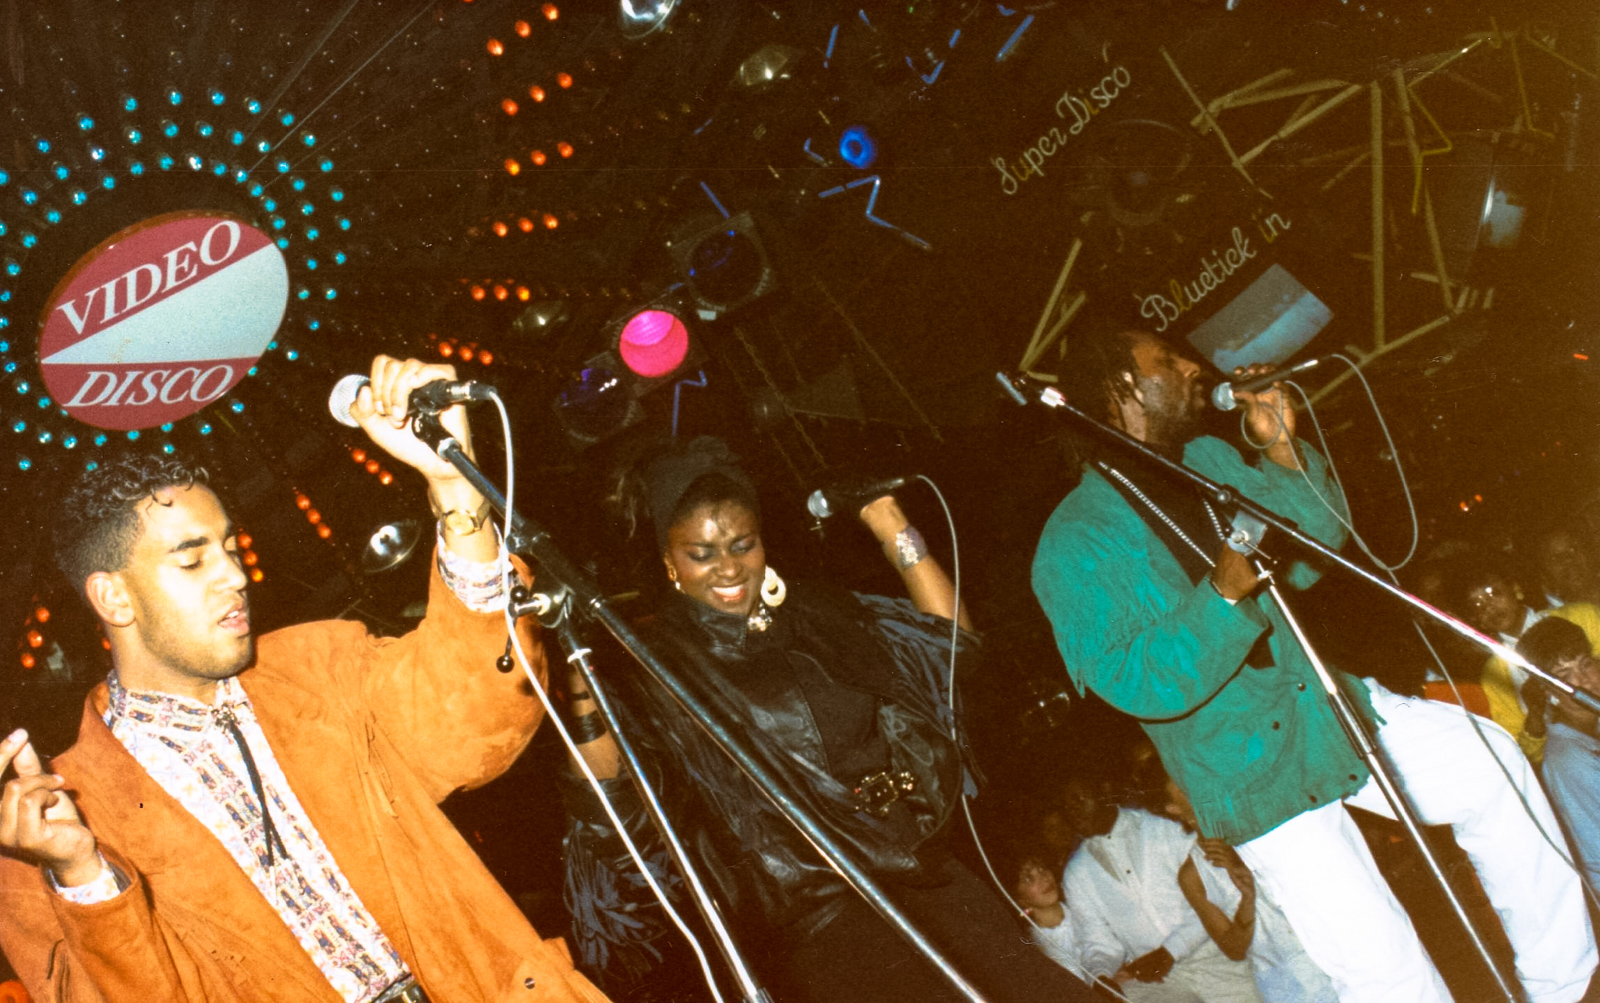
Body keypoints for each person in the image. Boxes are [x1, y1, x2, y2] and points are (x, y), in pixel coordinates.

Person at [0, 356, 611, 1003]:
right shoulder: (46, 826)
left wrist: (455, 489)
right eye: (192, 559)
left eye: (229, 548)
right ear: (114, 598)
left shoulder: (319, 662)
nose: (235, 575)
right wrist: (82, 876)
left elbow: (480, 718)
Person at [1030, 328, 1597, 1003]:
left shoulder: (1207, 458)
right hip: (1247, 768)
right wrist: (1222, 596)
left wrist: (1279, 447)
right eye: (1166, 360)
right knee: (1381, 965)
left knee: (1488, 762)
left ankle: (1564, 987)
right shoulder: (1074, 541)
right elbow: (1136, 680)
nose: (1191, 366)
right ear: (1122, 387)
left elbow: (1314, 543)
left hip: (1326, 705)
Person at [562, 436, 1096, 1002]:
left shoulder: (819, 611)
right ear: (670, 561)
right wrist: (579, 674)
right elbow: (610, 807)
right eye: (702, 553)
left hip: (925, 874)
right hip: (825, 918)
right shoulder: (657, 663)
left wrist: (888, 522)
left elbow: (951, 649)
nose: (729, 568)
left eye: (743, 545)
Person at [1055, 776, 1262, 1003]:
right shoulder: (1076, 873)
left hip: (1217, 960)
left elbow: (1215, 899)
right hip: (1159, 981)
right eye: (1065, 806)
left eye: (1079, 799)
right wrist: (1101, 977)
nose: (1072, 811)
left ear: (1105, 791)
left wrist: (1171, 950)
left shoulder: (1165, 825)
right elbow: (1097, 941)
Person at [1162, 776, 1337, 1003]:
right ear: (1173, 808)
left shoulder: (1256, 825)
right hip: (1285, 982)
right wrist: (1247, 898)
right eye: (1184, 790)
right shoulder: (1192, 875)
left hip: (1326, 949)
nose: (1196, 790)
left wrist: (1241, 863)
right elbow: (1234, 949)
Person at [1459, 559, 1600, 762]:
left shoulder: (1581, 616)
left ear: (1516, 590)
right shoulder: (1494, 672)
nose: (1489, 607)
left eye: (1493, 593)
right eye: (1478, 604)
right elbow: (1524, 755)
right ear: (1474, 619)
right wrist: (1535, 712)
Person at [1516, 616, 1600, 896]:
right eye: (1565, 677)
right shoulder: (1568, 758)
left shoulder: (1593, 723)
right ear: (1549, 691)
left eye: (1585, 665)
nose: (1585, 682)